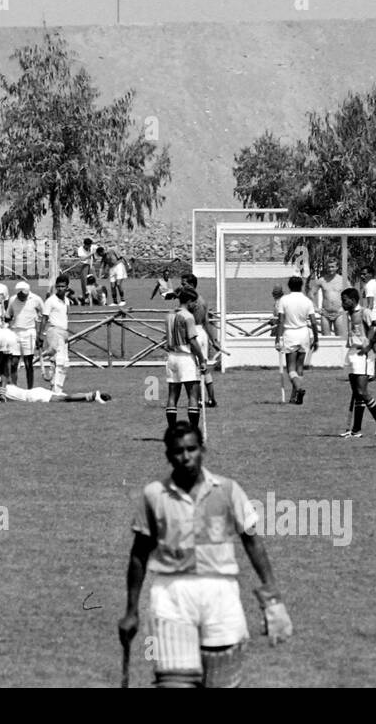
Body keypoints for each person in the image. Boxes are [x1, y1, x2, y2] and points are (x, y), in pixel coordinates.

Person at [118, 422, 292, 688]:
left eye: (192, 449)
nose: (186, 457)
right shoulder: (153, 495)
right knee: (173, 682)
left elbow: (252, 541)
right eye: (178, 451)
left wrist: (273, 596)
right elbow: (139, 555)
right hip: (171, 596)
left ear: (203, 450)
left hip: (220, 594)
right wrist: (131, 610)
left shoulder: (227, 489)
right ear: (167, 455)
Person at [340, 287, 376, 439]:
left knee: (362, 391)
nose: (343, 302)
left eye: (345, 300)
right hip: (352, 353)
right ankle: (355, 430)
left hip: (363, 355)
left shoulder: (365, 312)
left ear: (353, 300)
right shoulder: (348, 314)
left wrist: (370, 345)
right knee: (356, 394)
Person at [164, 287, 206, 430]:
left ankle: (172, 430)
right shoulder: (188, 316)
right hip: (185, 358)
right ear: (188, 301)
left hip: (171, 358)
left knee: (172, 396)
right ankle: (194, 431)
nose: (196, 304)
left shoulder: (169, 315)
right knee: (193, 395)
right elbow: (193, 341)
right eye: (194, 302)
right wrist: (202, 359)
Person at [274, 275, 318, 405]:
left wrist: (277, 338)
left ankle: (299, 389)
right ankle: (294, 397)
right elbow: (314, 322)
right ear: (300, 286)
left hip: (290, 334)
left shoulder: (284, 300)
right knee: (299, 367)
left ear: (289, 286)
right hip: (304, 333)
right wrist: (316, 338)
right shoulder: (307, 301)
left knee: (291, 369)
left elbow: (281, 320)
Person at [180, 272, 220, 407]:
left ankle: (198, 399)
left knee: (194, 367)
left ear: (191, 285)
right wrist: (213, 340)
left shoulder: (190, 302)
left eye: (184, 284)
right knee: (203, 367)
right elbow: (206, 322)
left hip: (193, 333)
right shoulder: (203, 300)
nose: (182, 286)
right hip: (202, 332)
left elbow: (187, 320)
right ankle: (211, 398)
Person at [5, 280, 44, 389]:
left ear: (27, 292)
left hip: (30, 332)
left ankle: (30, 388)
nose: (20, 296)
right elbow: (8, 315)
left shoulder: (36, 299)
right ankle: (14, 387)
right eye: (19, 294)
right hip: (15, 332)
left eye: (22, 294)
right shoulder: (13, 299)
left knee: (28, 364)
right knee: (14, 362)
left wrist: (40, 334)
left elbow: (44, 314)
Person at [39, 274, 72, 395]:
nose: (60, 289)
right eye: (58, 286)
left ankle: (57, 387)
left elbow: (66, 317)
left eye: (63, 286)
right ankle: (55, 390)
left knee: (64, 362)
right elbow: (44, 318)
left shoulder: (67, 301)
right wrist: (41, 334)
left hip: (63, 331)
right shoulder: (50, 301)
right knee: (59, 360)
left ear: (67, 287)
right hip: (53, 330)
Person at [311, 258, 346, 336]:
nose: (330, 269)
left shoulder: (342, 280)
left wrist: (345, 308)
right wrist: (316, 308)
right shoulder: (322, 280)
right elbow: (311, 294)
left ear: (337, 267)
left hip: (339, 313)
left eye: (332, 267)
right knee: (326, 339)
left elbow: (352, 295)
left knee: (340, 340)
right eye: (329, 267)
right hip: (325, 313)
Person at [2, 383, 110, 404]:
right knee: (65, 398)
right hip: (35, 392)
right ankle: (92, 397)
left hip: (33, 396)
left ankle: (93, 395)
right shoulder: (8, 386)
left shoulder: (2, 392)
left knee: (65, 399)